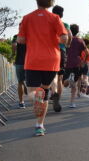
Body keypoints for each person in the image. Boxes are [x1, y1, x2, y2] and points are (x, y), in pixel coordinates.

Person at [17, 0, 68, 136]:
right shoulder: (55, 18)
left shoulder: (27, 18)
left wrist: (32, 38)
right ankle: (40, 125)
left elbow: (20, 40)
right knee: (43, 91)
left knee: (32, 94)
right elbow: (64, 38)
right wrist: (51, 40)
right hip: (51, 60)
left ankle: (40, 105)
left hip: (33, 60)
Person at [49, 5, 72, 113]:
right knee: (60, 77)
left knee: (51, 75)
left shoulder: (48, 22)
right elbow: (70, 35)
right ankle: (57, 98)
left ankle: (53, 93)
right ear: (62, 15)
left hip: (50, 50)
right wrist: (67, 45)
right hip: (61, 51)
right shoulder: (64, 24)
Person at [63, 24, 89, 108]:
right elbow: (87, 53)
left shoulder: (67, 39)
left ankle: (68, 79)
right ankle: (72, 103)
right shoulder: (80, 41)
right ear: (78, 31)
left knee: (64, 84)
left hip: (67, 62)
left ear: (70, 30)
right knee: (74, 84)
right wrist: (84, 61)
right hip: (77, 63)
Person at [12, 34, 27, 109]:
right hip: (30, 62)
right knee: (34, 82)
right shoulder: (31, 35)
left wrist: (13, 54)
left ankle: (21, 102)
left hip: (19, 62)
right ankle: (37, 101)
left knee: (20, 81)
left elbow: (14, 45)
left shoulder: (16, 36)